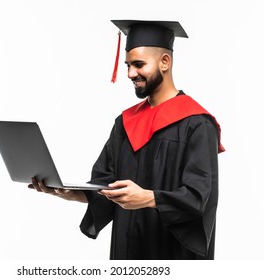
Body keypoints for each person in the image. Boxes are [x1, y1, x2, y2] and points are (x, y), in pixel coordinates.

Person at [28, 20, 224, 260]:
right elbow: (105, 186)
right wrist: (68, 192)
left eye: (139, 64)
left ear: (165, 62)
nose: (131, 73)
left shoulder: (196, 124)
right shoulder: (125, 122)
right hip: (126, 252)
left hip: (172, 255)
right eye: (128, 65)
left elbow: (198, 198)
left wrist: (149, 198)